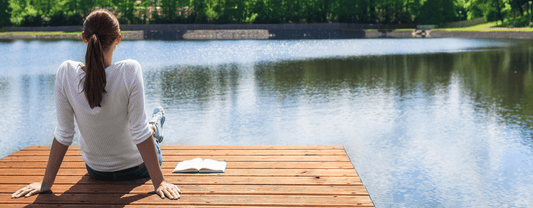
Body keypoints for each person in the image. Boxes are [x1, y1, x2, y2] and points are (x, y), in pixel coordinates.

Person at [11, 9, 181, 200]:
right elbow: (139, 132)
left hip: (97, 171)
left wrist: (46, 184)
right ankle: (156, 127)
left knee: (142, 128)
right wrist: (160, 182)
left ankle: (154, 125)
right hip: (137, 169)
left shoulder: (65, 72)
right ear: (118, 38)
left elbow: (64, 133)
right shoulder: (130, 70)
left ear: (84, 37)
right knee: (148, 132)